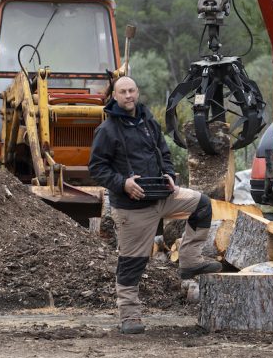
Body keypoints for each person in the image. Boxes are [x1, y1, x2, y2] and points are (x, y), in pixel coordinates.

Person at [88, 76, 221, 334]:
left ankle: (190, 260)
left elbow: (164, 151)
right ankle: (130, 317)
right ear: (114, 96)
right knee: (132, 263)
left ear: (137, 92)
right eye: (123, 92)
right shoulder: (107, 130)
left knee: (202, 205)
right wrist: (123, 183)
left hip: (163, 195)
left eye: (132, 91)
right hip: (133, 207)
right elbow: (96, 168)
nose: (128, 96)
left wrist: (169, 174)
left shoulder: (148, 120)